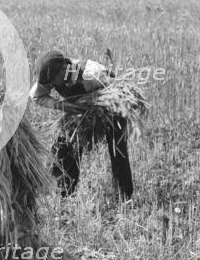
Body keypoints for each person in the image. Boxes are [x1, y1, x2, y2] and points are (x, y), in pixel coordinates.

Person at [30, 50, 133, 200]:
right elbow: (36, 96)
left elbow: (117, 91)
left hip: (112, 109)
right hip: (79, 111)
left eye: (53, 82)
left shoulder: (92, 74)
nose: (51, 86)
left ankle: (124, 197)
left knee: (117, 150)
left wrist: (95, 105)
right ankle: (63, 195)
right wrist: (61, 105)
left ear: (64, 70)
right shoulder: (52, 75)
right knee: (65, 146)